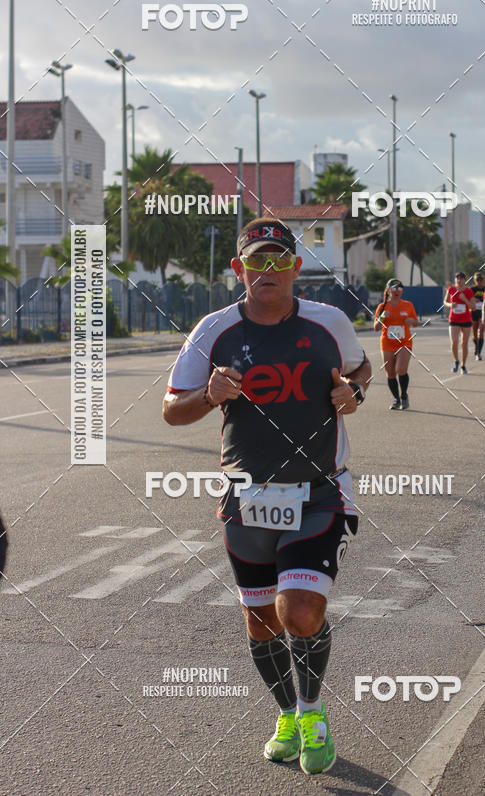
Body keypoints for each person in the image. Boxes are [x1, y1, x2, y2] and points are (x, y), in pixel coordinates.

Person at [163, 217, 371, 775]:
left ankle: (312, 711)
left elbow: (359, 370)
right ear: (240, 269)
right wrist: (208, 397)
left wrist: (353, 395)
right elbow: (171, 409)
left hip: (320, 491)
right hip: (245, 496)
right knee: (261, 621)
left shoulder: (329, 323)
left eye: (279, 261)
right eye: (257, 261)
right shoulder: (213, 330)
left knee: (299, 610)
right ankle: (285, 714)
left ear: (296, 269)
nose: (268, 270)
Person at [374, 279, 419, 410]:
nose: (397, 291)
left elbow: (415, 323)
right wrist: (382, 317)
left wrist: (412, 321)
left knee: (400, 369)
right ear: (388, 291)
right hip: (387, 343)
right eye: (394, 288)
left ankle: (404, 395)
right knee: (390, 373)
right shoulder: (382, 307)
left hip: (404, 342)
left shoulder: (408, 305)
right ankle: (396, 398)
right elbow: (376, 327)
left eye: (400, 288)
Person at [444, 272, 476, 374]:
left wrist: (464, 299)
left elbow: (473, 307)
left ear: (464, 280)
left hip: (466, 320)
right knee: (454, 342)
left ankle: (463, 365)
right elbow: (445, 302)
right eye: (457, 278)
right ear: (455, 280)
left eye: (461, 278)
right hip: (453, 319)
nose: (459, 280)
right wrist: (450, 305)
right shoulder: (451, 289)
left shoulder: (469, 291)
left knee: (464, 344)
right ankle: (456, 361)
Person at [470, 273, 485, 361]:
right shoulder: (472, 289)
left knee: (481, 330)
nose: (479, 282)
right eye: (477, 280)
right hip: (474, 311)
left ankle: (478, 352)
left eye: (480, 280)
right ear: (475, 281)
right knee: (474, 331)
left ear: (483, 280)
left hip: (482, 312)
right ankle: (477, 347)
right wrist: (473, 299)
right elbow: (468, 298)